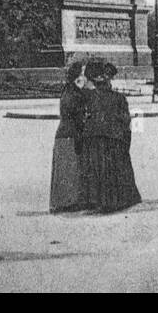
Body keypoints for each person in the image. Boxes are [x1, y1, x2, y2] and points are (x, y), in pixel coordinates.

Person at [79, 62, 142, 213]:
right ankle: (120, 200)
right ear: (109, 81)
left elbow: (85, 120)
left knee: (99, 169)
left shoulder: (89, 98)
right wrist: (125, 141)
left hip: (96, 139)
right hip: (115, 140)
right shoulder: (119, 98)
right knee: (117, 169)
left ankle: (98, 201)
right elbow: (127, 122)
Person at [50, 62, 88, 212]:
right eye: (83, 73)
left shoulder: (68, 90)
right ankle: (69, 201)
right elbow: (77, 116)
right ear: (78, 77)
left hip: (63, 133)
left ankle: (63, 201)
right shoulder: (76, 94)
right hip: (71, 134)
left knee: (65, 168)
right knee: (70, 167)